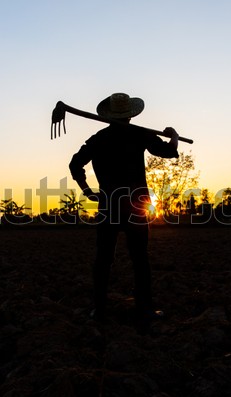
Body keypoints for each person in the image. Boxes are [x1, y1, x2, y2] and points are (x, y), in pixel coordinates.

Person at [69, 92, 179, 331]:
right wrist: (174, 137)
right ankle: (145, 309)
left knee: (104, 259)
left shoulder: (98, 139)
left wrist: (88, 191)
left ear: (109, 115)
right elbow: (168, 152)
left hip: (109, 204)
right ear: (130, 114)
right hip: (136, 205)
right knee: (140, 258)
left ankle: (99, 310)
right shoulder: (140, 134)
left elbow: (75, 163)